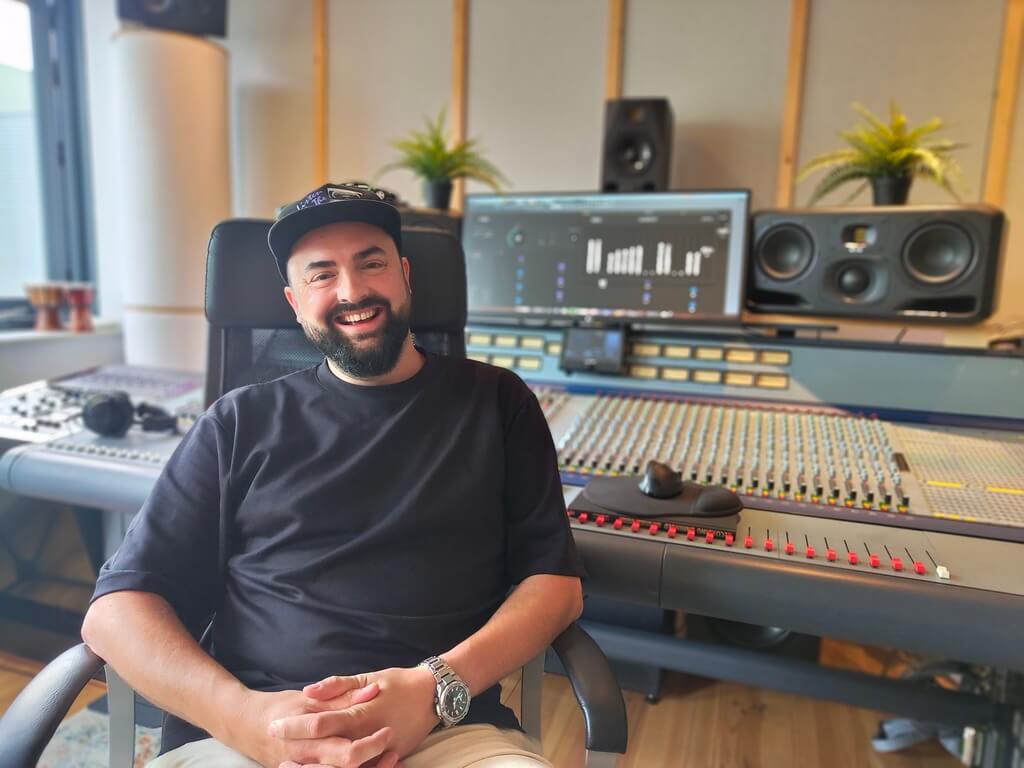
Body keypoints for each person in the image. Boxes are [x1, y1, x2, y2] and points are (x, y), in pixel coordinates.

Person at [81, 183, 584, 768]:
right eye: (322, 275)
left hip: (448, 729)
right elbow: (115, 611)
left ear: (404, 274)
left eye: (371, 263)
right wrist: (244, 718)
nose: (352, 291)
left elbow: (555, 585)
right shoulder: (239, 422)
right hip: (253, 735)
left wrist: (433, 685)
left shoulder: (498, 404)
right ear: (294, 302)